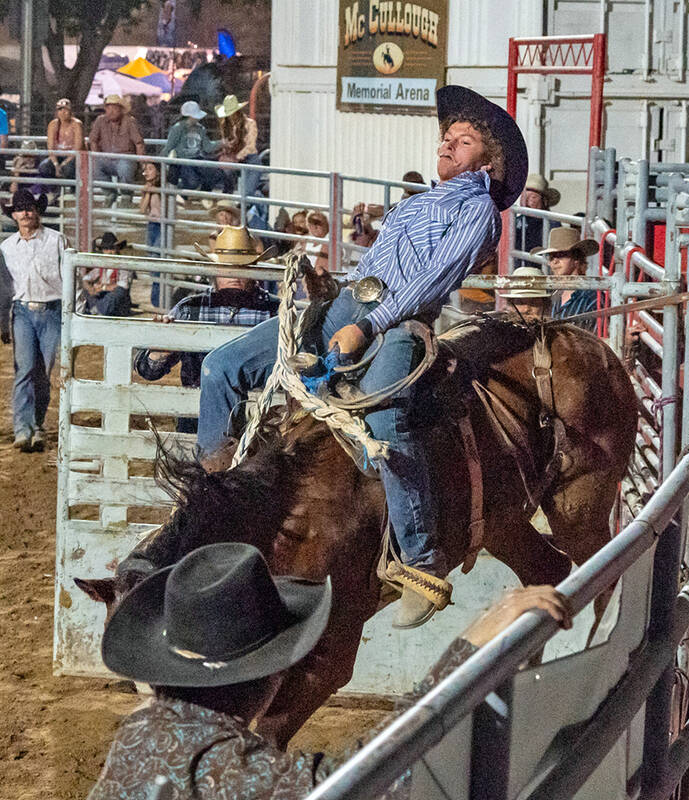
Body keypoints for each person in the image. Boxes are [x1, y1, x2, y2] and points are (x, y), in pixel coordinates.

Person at [196, 85, 527, 628]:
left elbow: (428, 282)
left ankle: (419, 559)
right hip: (350, 304)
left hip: (398, 324)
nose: (446, 142)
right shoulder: (417, 204)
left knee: (386, 419)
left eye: (462, 140)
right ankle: (218, 490)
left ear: (488, 165)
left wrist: (364, 325)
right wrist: (334, 288)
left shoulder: (477, 212)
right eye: (446, 135)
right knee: (222, 368)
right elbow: (373, 270)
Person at [86, 541, 572, 799]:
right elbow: (372, 779)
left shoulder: (138, 735)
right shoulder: (229, 771)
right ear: (275, 675)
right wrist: (466, 650)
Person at [135, 227, 276, 433]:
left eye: (242, 268)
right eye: (227, 268)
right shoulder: (190, 308)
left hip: (257, 420)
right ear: (215, 269)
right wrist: (159, 352)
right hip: (197, 417)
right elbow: (146, 370)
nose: (234, 275)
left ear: (254, 271)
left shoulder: (276, 311)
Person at [0, 189, 66, 452]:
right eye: (21, 209)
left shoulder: (57, 240)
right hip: (22, 312)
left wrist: (75, 314)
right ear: (14, 215)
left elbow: (71, 279)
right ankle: (22, 428)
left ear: (37, 211)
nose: (25, 213)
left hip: (53, 310)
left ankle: (37, 425)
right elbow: (4, 288)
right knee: (24, 370)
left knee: (42, 374)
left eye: (29, 208)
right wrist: (4, 322)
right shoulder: (7, 247)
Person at [536, 226, 599, 330]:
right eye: (551, 257)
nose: (554, 261)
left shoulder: (592, 298)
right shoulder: (550, 294)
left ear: (576, 259)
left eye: (560, 255)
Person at [89, 95, 146, 205]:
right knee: (94, 165)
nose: (111, 111)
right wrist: (97, 155)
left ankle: (126, 194)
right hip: (107, 158)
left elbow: (138, 142)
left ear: (121, 109)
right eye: (108, 108)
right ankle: (109, 193)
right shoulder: (100, 120)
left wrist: (141, 162)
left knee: (125, 167)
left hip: (125, 157)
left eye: (114, 108)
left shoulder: (129, 121)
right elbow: (93, 140)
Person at [164, 100, 220, 195]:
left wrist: (221, 143)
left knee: (215, 174)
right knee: (192, 182)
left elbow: (207, 147)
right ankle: (179, 192)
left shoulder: (200, 128)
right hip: (183, 160)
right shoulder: (178, 128)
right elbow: (169, 147)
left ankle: (201, 194)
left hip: (196, 159)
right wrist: (159, 163)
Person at [81, 232, 134, 317]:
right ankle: (97, 310)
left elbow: (124, 285)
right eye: (106, 249)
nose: (109, 252)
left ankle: (96, 310)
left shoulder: (124, 264)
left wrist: (103, 287)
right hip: (102, 296)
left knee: (117, 293)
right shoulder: (102, 264)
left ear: (117, 249)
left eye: (111, 248)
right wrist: (91, 288)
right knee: (84, 290)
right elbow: (86, 278)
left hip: (116, 300)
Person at [37, 98, 84, 192]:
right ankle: (54, 191)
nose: (63, 112)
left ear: (70, 111)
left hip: (72, 157)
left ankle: (74, 192)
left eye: (66, 109)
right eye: (60, 109)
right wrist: (55, 164)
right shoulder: (53, 124)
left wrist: (64, 163)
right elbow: (50, 147)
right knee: (44, 167)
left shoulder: (76, 124)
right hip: (58, 156)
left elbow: (78, 148)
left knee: (69, 169)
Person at [215, 94, 257, 193]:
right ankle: (227, 196)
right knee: (222, 170)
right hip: (233, 156)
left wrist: (236, 157)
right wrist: (227, 149)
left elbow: (250, 146)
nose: (230, 116)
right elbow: (226, 141)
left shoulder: (250, 124)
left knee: (249, 192)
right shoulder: (225, 125)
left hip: (249, 158)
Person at [513, 173, 560, 252]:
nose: (526, 201)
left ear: (544, 201)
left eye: (533, 197)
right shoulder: (517, 221)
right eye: (524, 196)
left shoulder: (552, 224)